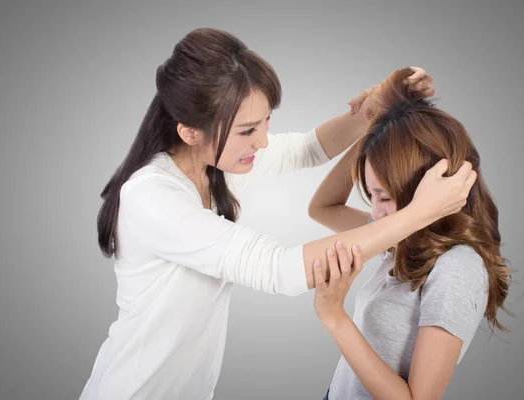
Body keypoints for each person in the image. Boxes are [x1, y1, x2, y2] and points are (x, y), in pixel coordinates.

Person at [80, 28, 476, 400]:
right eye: (248, 130)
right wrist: (420, 212)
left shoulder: (214, 165)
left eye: (267, 121)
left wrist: (375, 112)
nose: (263, 140)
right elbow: (280, 269)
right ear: (190, 132)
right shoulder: (152, 197)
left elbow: (305, 149)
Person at [308, 67, 511, 400]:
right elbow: (322, 208)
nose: (375, 213)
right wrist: (377, 126)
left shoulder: (456, 269)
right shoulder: (405, 236)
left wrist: (335, 318)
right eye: (371, 195)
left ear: (426, 186)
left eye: (385, 197)